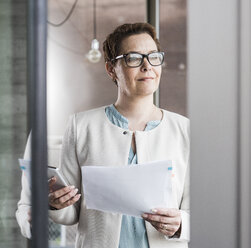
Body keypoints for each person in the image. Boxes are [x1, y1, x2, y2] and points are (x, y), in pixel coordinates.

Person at [48, 23, 190, 248]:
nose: (147, 66)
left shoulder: (184, 130)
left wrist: (181, 223)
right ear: (111, 69)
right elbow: (72, 213)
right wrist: (56, 204)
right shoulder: (81, 126)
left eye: (153, 56)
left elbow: (200, 210)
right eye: (134, 58)